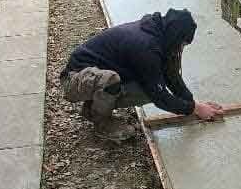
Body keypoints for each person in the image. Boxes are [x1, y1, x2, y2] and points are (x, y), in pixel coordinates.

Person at [60, 8, 223, 138]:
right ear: (175, 37)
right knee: (112, 80)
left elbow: (172, 76)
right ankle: (102, 124)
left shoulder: (160, 35)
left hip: (91, 79)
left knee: (146, 90)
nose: (180, 49)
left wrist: (193, 103)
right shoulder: (146, 46)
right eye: (182, 44)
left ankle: (92, 108)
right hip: (74, 79)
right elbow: (160, 98)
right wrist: (193, 109)